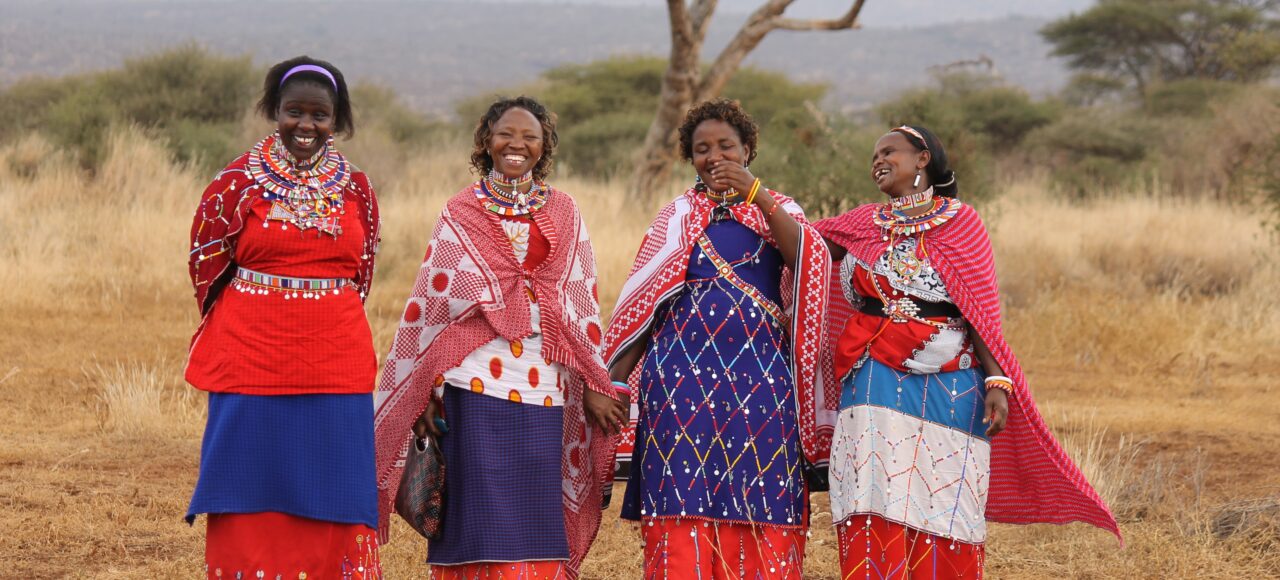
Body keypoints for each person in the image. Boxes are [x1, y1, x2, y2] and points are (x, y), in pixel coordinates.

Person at [813, 125, 1121, 578]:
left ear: (923, 159)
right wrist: (756, 198)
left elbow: (978, 311)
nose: (878, 160)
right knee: (871, 488)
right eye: (873, 154)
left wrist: (997, 381)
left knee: (945, 494)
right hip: (871, 369)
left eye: (889, 151)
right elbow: (800, 247)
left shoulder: (961, 222)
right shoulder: (862, 223)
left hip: (952, 376)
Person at [373, 96, 624, 579]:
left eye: (530, 136)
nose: (517, 144)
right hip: (471, 382)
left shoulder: (566, 211)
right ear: (486, 141)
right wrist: (424, 388)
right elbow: (432, 305)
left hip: (546, 384)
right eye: (506, 133)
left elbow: (582, 306)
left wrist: (595, 381)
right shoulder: (460, 211)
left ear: (544, 146)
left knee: (535, 511)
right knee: (478, 510)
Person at [602, 98, 832, 579]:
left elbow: (811, 262)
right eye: (702, 148)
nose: (715, 156)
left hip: (763, 379)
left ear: (748, 149)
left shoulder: (779, 208)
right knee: (681, 491)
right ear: (690, 158)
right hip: (678, 380)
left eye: (727, 145)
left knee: (764, 487)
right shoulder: (676, 216)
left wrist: (758, 197)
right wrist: (613, 385)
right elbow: (641, 307)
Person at [184, 56, 383, 579]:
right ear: (275, 112)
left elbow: (362, 272)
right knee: (248, 475)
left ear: (337, 121)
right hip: (249, 354)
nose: (306, 125)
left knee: (333, 476)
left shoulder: (357, 189)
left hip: (336, 357)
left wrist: (322, 316)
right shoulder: (234, 184)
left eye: (320, 115)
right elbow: (206, 263)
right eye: (294, 112)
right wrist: (254, 311)